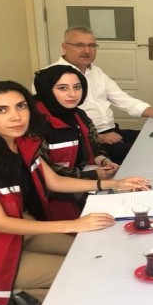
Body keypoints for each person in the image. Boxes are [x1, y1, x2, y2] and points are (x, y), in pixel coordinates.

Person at [0, 81, 149, 305]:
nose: (16, 117)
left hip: (20, 231)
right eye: (1, 110)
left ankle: (57, 304)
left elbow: (55, 181)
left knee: (95, 254)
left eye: (21, 106)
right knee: (85, 272)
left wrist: (113, 184)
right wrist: (74, 225)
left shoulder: (21, 143)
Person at [39, 25, 153, 164]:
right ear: (64, 46)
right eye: (79, 45)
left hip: (112, 131)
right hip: (88, 142)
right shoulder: (48, 77)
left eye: (92, 45)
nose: (87, 50)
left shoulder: (96, 72)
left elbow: (125, 101)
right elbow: (52, 125)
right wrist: (98, 137)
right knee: (150, 154)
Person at [33, 65, 119, 220]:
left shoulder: (79, 115)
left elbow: (93, 146)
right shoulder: (35, 123)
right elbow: (45, 173)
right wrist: (93, 175)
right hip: (51, 195)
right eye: (62, 88)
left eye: (77, 87)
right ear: (47, 89)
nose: (72, 94)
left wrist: (104, 161)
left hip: (83, 178)